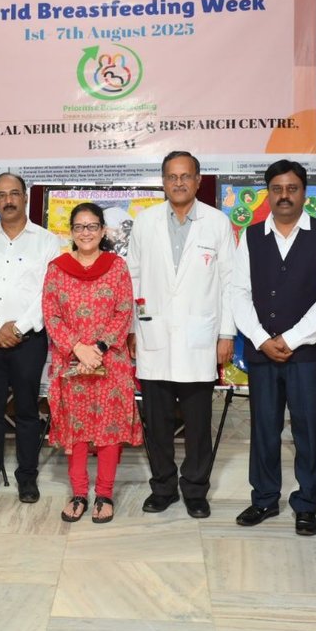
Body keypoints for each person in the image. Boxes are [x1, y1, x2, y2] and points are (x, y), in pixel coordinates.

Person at [228, 159, 316, 536]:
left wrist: (290, 339)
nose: (284, 195)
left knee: (307, 427)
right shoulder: (251, 236)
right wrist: (261, 338)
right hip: (262, 351)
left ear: (304, 193)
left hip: (306, 353)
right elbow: (238, 292)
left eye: (291, 188)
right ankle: (264, 498)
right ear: (268, 193)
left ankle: (307, 503)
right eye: (276, 189)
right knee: (264, 427)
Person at [126, 151, 235, 519]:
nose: (178, 183)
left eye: (185, 176)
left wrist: (226, 333)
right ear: (163, 182)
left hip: (199, 338)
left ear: (198, 180)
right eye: (172, 177)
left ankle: (195, 490)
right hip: (153, 334)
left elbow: (229, 282)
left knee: (198, 425)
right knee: (157, 424)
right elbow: (133, 277)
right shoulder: (146, 222)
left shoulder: (217, 223)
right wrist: (134, 326)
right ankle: (163, 487)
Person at [43, 202, 142, 524]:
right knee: (77, 429)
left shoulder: (117, 267)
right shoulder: (57, 268)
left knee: (109, 428)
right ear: (71, 232)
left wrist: (97, 348)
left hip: (110, 360)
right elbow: (51, 315)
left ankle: (104, 494)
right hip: (71, 362)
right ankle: (78, 494)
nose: (85, 232)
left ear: (102, 230)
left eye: (92, 226)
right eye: (79, 227)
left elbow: (124, 311)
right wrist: (77, 348)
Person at [0, 173, 59, 503]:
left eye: (14, 193)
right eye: (2, 195)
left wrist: (19, 328)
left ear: (25, 197)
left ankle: (27, 479)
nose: (8, 200)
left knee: (27, 412)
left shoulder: (47, 241)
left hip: (29, 340)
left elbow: (49, 292)